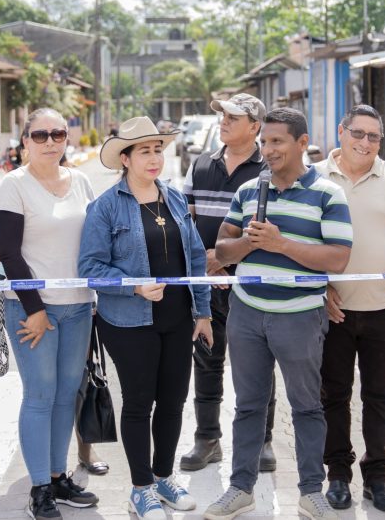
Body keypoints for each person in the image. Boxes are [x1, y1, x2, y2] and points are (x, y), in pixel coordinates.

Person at [205, 107, 352, 520]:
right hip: (247, 314)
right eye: (264, 141)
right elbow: (222, 252)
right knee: (249, 406)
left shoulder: (328, 194)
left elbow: (338, 259)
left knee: (306, 406)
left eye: (276, 142)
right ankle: (240, 489)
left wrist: (280, 244)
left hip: (300, 316)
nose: (267, 150)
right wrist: (252, 243)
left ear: (302, 143)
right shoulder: (249, 191)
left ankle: (310, 492)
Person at [78, 116, 212, 520]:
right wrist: (133, 285)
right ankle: (140, 489)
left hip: (177, 317)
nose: (154, 158)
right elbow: (90, 267)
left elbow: (197, 258)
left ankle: (164, 476)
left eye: (158, 149)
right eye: (144, 151)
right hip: (128, 320)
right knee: (139, 402)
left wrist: (202, 311)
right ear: (125, 158)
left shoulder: (172, 198)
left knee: (173, 401)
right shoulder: (104, 207)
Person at [0, 108, 99, 520]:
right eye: (41, 135)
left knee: (66, 393)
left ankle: (58, 476)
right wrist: (35, 309)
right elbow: (8, 253)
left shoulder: (83, 181)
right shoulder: (13, 186)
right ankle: (39, 488)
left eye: (58, 134)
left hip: (78, 305)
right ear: (25, 142)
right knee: (39, 395)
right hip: (31, 308)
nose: (50, 141)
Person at [314, 105, 385, 513]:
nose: (365, 143)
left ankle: (377, 477)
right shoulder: (315, 177)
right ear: (341, 132)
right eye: (358, 133)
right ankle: (337, 474)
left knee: (381, 396)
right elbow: (303, 242)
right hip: (331, 311)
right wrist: (322, 290)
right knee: (333, 396)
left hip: (384, 308)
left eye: (374, 136)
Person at [181, 94, 277, 473]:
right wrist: (207, 263)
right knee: (205, 360)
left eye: (233, 117)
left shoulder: (269, 170)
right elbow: (185, 219)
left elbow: (267, 231)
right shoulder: (201, 164)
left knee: (257, 366)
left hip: (250, 285)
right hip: (207, 282)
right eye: (222, 115)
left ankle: (263, 441)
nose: (223, 121)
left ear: (255, 127)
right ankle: (207, 439)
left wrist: (223, 260)